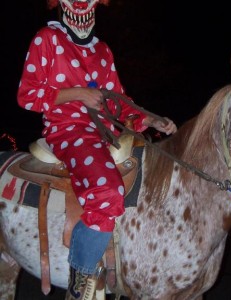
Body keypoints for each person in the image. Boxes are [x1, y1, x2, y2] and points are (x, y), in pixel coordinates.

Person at [17, 1, 177, 299]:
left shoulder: (102, 49)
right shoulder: (47, 38)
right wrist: (78, 94)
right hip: (66, 130)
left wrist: (149, 118)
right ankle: (82, 275)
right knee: (106, 191)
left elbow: (115, 100)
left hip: (106, 133)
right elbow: (27, 94)